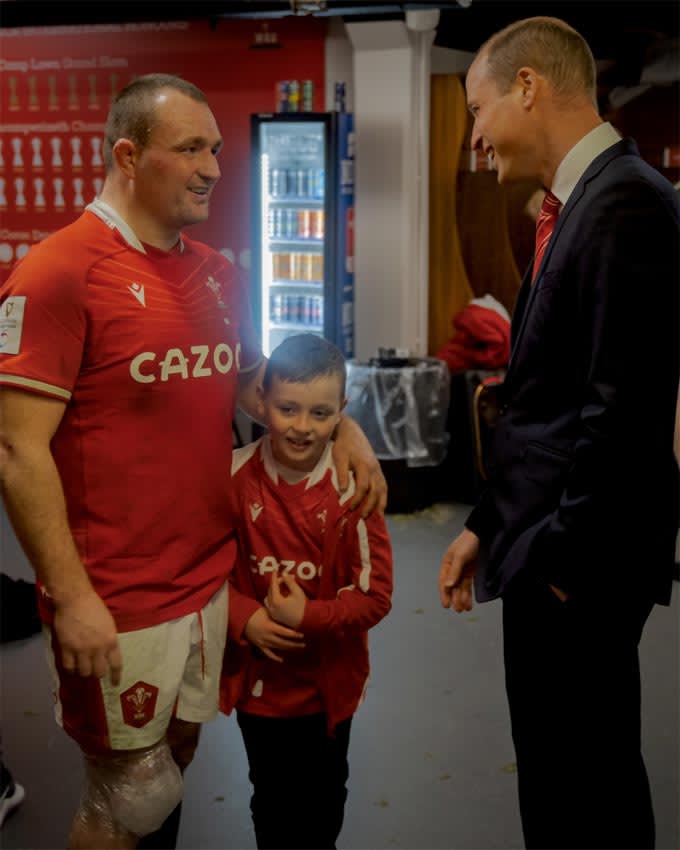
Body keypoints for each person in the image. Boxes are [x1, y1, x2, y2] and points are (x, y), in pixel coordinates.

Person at [0, 74, 386, 850]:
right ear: (128, 156)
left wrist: (345, 429)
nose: (213, 166)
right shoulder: (59, 272)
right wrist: (72, 597)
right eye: (190, 149)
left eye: (214, 147)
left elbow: (252, 383)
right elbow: (17, 449)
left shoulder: (217, 274)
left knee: (172, 768)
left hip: (210, 581)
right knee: (125, 800)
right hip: (118, 596)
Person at [438, 17, 679, 850]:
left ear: (529, 87)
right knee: (559, 777)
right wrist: (485, 522)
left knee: (589, 790)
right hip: (545, 546)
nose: (474, 135)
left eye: (478, 108)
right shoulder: (578, 204)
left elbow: (625, 414)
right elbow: (549, 404)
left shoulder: (626, 206)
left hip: (575, 566)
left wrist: (562, 566)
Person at [220, 333, 393, 850]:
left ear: (341, 411)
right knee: (269, 799)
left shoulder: (353, 488)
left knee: (322, 802)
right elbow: (207, 573)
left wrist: (308, 616)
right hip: (259, 689)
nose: (301, 426)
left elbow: (376, 593)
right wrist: (244, 615)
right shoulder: (231, 478)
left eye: (319, 413)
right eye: (287, 409)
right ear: (261, 401)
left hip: (325, 691)